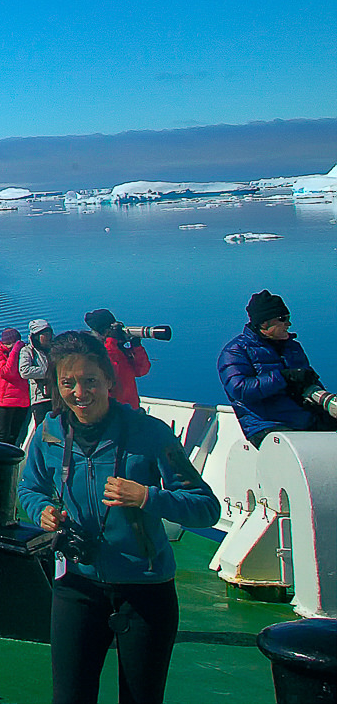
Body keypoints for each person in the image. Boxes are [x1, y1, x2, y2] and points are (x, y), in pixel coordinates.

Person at [19, 330, 219, 704]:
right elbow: (29, 488)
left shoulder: (150, 433)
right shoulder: (49, 433)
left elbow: (206, 508)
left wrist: (147, 496)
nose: (80, 393)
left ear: (109, 380)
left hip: (145, 590)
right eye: (68, 383)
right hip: (76, 585)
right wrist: (41, 511)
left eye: (90, 381)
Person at [220, 290, 337, 446]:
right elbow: (239, 389)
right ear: (264, 323)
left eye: (288, 318)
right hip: (267, 425)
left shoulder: (293, 348)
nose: (288, 324)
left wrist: (324, 401)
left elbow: (308, 380)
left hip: (303, 418)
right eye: (283, 319)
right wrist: (283, 377)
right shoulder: (236, 351)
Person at [85, 309, 153, 408]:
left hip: (131, 408)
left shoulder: (118, 350)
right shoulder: (92, 351)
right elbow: (111, 372)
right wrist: (111, 342)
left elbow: (141, 371)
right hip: (110, 410)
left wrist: (137, 347)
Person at [0, 326, 31, 443]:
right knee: (2, 436)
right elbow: (6, 372)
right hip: (4, 402)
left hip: (21, 402)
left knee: (14, 436)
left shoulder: (23, 352)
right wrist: (15, 350)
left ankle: (10, 461)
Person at [20, 319, 56, 425]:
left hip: (57, 397)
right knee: (43, 430)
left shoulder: (54, 349)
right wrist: (48, 372)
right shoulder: (27, 351)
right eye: (44, 334)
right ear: (36, 336)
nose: (48, 337)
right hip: (40, 399)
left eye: (49, 333)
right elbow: (24, 371)